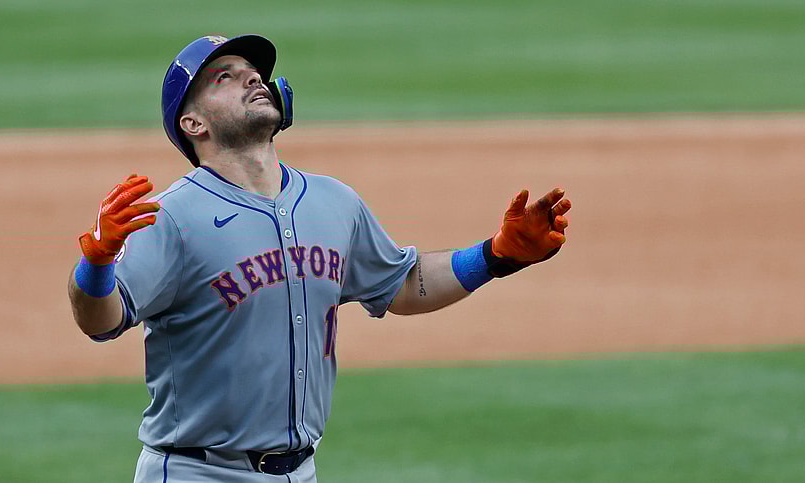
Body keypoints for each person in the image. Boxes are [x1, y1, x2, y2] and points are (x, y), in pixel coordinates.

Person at [67, 34, 571, 483]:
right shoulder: (170, 217)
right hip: (196, 471)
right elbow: (102, 320)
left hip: (301, 471)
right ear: (192, 122)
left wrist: (496, 256)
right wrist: (96, 266)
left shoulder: (334, 202)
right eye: (225, 77)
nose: (251, 80)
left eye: (254, 74)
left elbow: (401, 284)